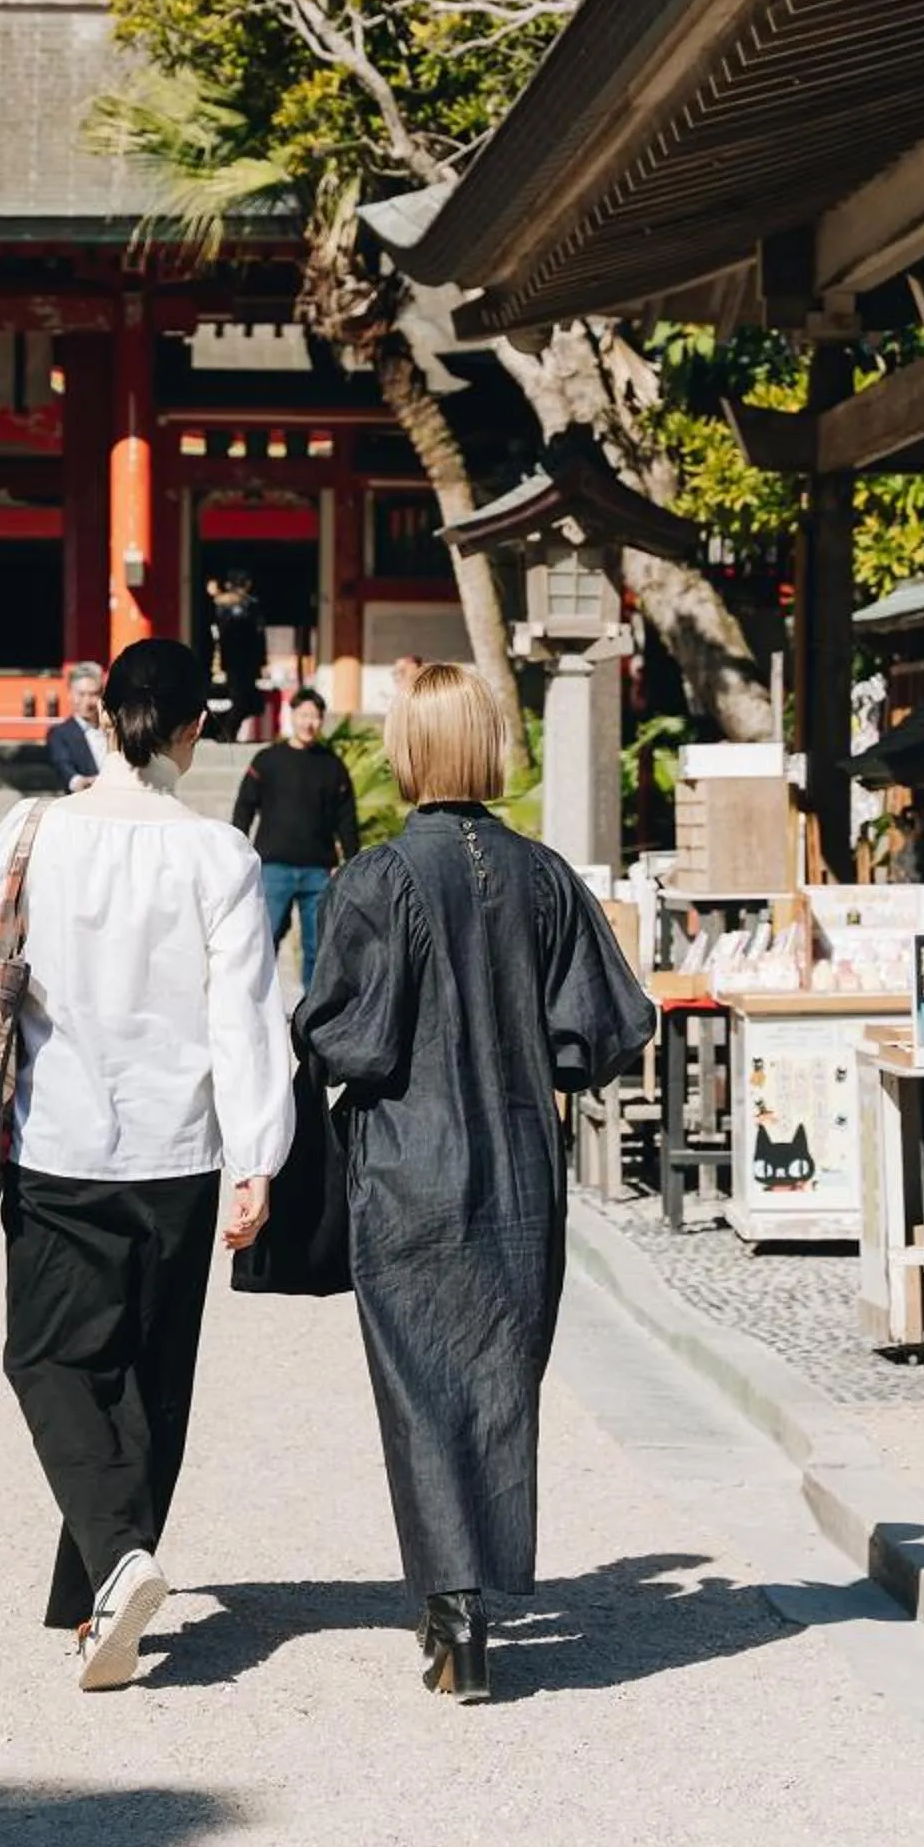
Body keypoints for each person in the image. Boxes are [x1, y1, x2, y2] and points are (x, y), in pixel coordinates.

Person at [0, 637, 292, 1692]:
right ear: (196, 730)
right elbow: (245, 1019)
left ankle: (116, 1563)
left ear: (102, 717)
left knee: (50, 1359)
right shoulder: (219, 856)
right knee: (152, 1374)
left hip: (61, 1140)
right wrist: (258, 1156)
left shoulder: (34, 831)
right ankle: (100, 1587)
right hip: (180, 1152)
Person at [295, 662, 655, 1704]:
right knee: (501, 1378)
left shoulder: (375, 878)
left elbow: (348, 1039)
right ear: (488, 747)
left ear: (409, 750)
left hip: (407, 1160)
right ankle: (476, 1592)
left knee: (420, 1388)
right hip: (521, 1166)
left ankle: (452, 1608)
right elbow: (603, 1028)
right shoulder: (544, 876)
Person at [232, 688, 359, 981]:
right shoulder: (267, 760)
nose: (309, 723)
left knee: (318, 947)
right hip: (274, 868)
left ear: (321, 720)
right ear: (292, 716)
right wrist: (238, 847)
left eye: (315, 717)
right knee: (266, 940)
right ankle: (258, 1000)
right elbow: (244, 806)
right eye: (303, 715)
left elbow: (346, 818)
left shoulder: (333, 766)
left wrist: (351, 862)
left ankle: (312, 1007)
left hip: (319, 871)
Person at [208, 572, 267, 739]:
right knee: (243, 699)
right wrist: (261, 660)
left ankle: (225, 730)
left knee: (239, 697)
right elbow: (259, 634)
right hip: (246, 660)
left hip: (232, 660)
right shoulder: (251, 605)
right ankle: (226, 730)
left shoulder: (220, 606)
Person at [43, 662, 113, 792]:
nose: (87, 701)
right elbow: (63, 766)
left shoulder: (114, 729)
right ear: (70, 694)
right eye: (81, 694)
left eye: (93, 694)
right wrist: (79, 782)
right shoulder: (59, 733)